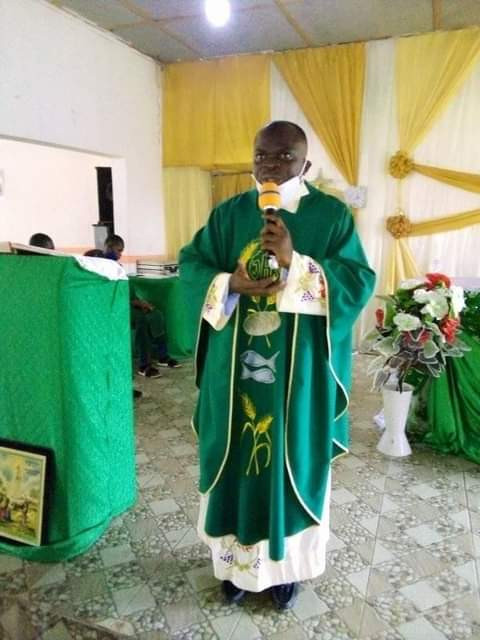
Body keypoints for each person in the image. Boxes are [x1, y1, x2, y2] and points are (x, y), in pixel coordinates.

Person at [179, 121, 376, 610]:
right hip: (234, 373)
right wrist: (230, 284)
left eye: (284, 156)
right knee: (234, 463)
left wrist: (296, 263)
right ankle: (235, 568)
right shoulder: (228, 214)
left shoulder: (330, 216)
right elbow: (192, 267)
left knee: (291, 464)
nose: (270, 164)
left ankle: (286, 571)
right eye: (262, 155)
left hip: (297, 374)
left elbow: (357, 281)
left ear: (305, 163)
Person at [104, 235, 181, 378]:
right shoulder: (102, 268)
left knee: (156, 314)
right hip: (115, 308)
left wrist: (142, 303)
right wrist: (136, 304)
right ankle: (144, 365)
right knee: (142, 319)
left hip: (129, 304)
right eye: (118, 250)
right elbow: (112, 296)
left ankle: (162, 356)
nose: (120, 254)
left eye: (122, 251)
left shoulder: (118, 267)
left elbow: (129, 292)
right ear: (109, 248)